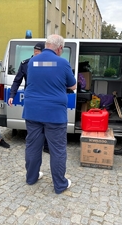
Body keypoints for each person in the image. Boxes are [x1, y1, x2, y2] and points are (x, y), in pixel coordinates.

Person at [22, 34, 76, 194]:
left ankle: (31, 177)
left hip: (32, 111)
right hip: (54, 113)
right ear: (59, 48)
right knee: (57, 149)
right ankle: (60, 185)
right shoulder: (62, 62)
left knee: (32, 146)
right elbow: (72, 85)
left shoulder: (33, 61)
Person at [8, 42, 50, 153]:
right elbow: (17, 81)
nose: (36, 53)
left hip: (44, 97)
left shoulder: (48, 64)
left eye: (39, 51)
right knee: (32, 123)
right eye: (35, 51)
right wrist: (12, 95)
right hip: (31, 98)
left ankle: (46, 146)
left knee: (46, 122)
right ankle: (33, 147)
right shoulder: (25, 64)